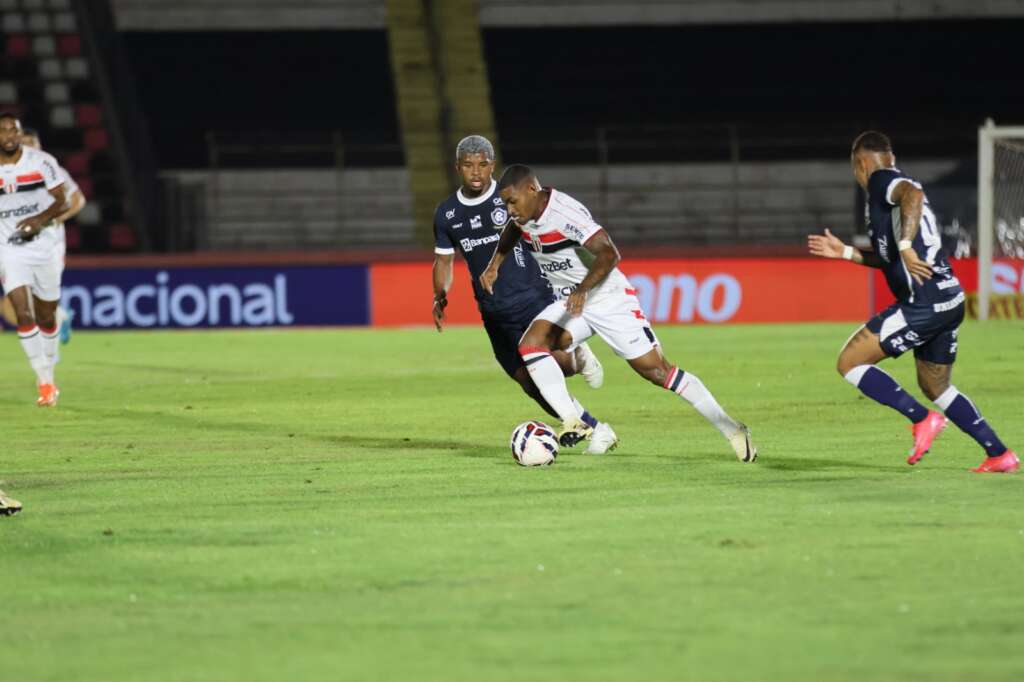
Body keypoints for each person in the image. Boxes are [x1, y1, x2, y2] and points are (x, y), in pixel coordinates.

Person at [480, 164, 757, 462]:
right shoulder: (524, 214)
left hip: (607, 298)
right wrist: (495, 263)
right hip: (575, 301)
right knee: (531, 344)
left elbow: (610, 253)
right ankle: (573, 420)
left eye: (512, 202)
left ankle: (732, 429)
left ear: (531, 190)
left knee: (657, 371)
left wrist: (583, 289)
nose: (509, 210)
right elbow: (512, 231)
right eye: (505, 203)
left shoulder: (565, 214)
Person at [808, 131, 1017, 473]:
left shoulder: (882, 181)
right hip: (948, 299)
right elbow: (889, 257)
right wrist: (846, 252)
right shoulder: (892, 189)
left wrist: (905, 245)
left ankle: (921, 420)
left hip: (923, 302)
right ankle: (999, 454)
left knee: (850, 362)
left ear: (861, 163)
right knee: (935, 384)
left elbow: (913, 195)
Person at [433, 136, 613, 453]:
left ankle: (578, 354)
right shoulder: (447, 214)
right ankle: (594, 429)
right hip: (493, 312)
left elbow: (551, 226)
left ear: (492, 166)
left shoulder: (509, 198)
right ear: (457, 168)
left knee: (561, 367)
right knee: (531, 385)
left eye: (482, 164)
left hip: (532, 298)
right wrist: (440, 295)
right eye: (468, 165)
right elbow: (444, 260)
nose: (476, 172)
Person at [0, 112, 71, 406]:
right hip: (9, 247)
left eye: (12, 130)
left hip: (44, 245)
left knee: (46, 316)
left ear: (19, 134)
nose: (8, 136)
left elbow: (63, 200)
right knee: (22, 312)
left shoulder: (42, 162)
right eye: (3, 131)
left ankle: (50, 374)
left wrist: (38, 220)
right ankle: (43, 382)